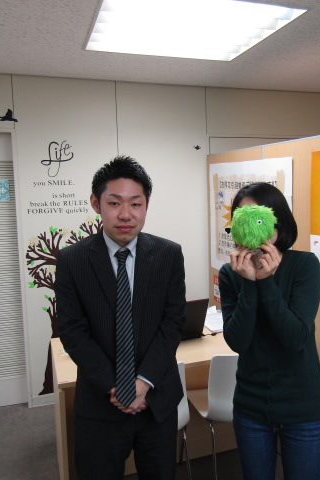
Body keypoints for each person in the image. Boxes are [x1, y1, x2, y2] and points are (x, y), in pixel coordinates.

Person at [55, 155, 186, 479]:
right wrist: (119, 388)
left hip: (156, 401)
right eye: (114, 203)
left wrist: (142, 383)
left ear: (146, 205)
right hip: (100, 403)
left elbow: (172, 324)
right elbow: (72, 331)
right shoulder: (72, 260)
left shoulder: (169, 255)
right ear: (96, 203)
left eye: (135, 204)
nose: (126, 214)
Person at [219, 182, 320, 480]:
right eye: (241, 217)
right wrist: (249, 283)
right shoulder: (231, 273)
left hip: (303, 407)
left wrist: (266, 282)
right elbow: (238, 341)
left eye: (257, 217)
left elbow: (296, 338)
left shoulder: (304, 265)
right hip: (251, 407)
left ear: (277, 225)